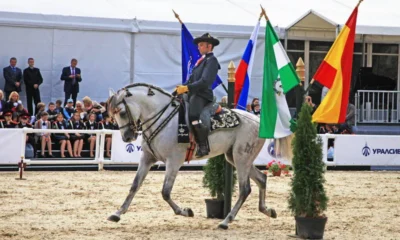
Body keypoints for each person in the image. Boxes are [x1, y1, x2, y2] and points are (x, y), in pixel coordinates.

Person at [175, 33, 220, 157]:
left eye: (201, 45)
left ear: (209, 46)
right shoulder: (200, 61)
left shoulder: (212, 61)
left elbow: (205, 81)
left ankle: (203, 145)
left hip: (202, 95)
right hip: (193, 93)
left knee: (194, 115)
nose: (198, 47)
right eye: (199, 45)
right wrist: (181, 87)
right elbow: (192, 80)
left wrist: (187, 88)